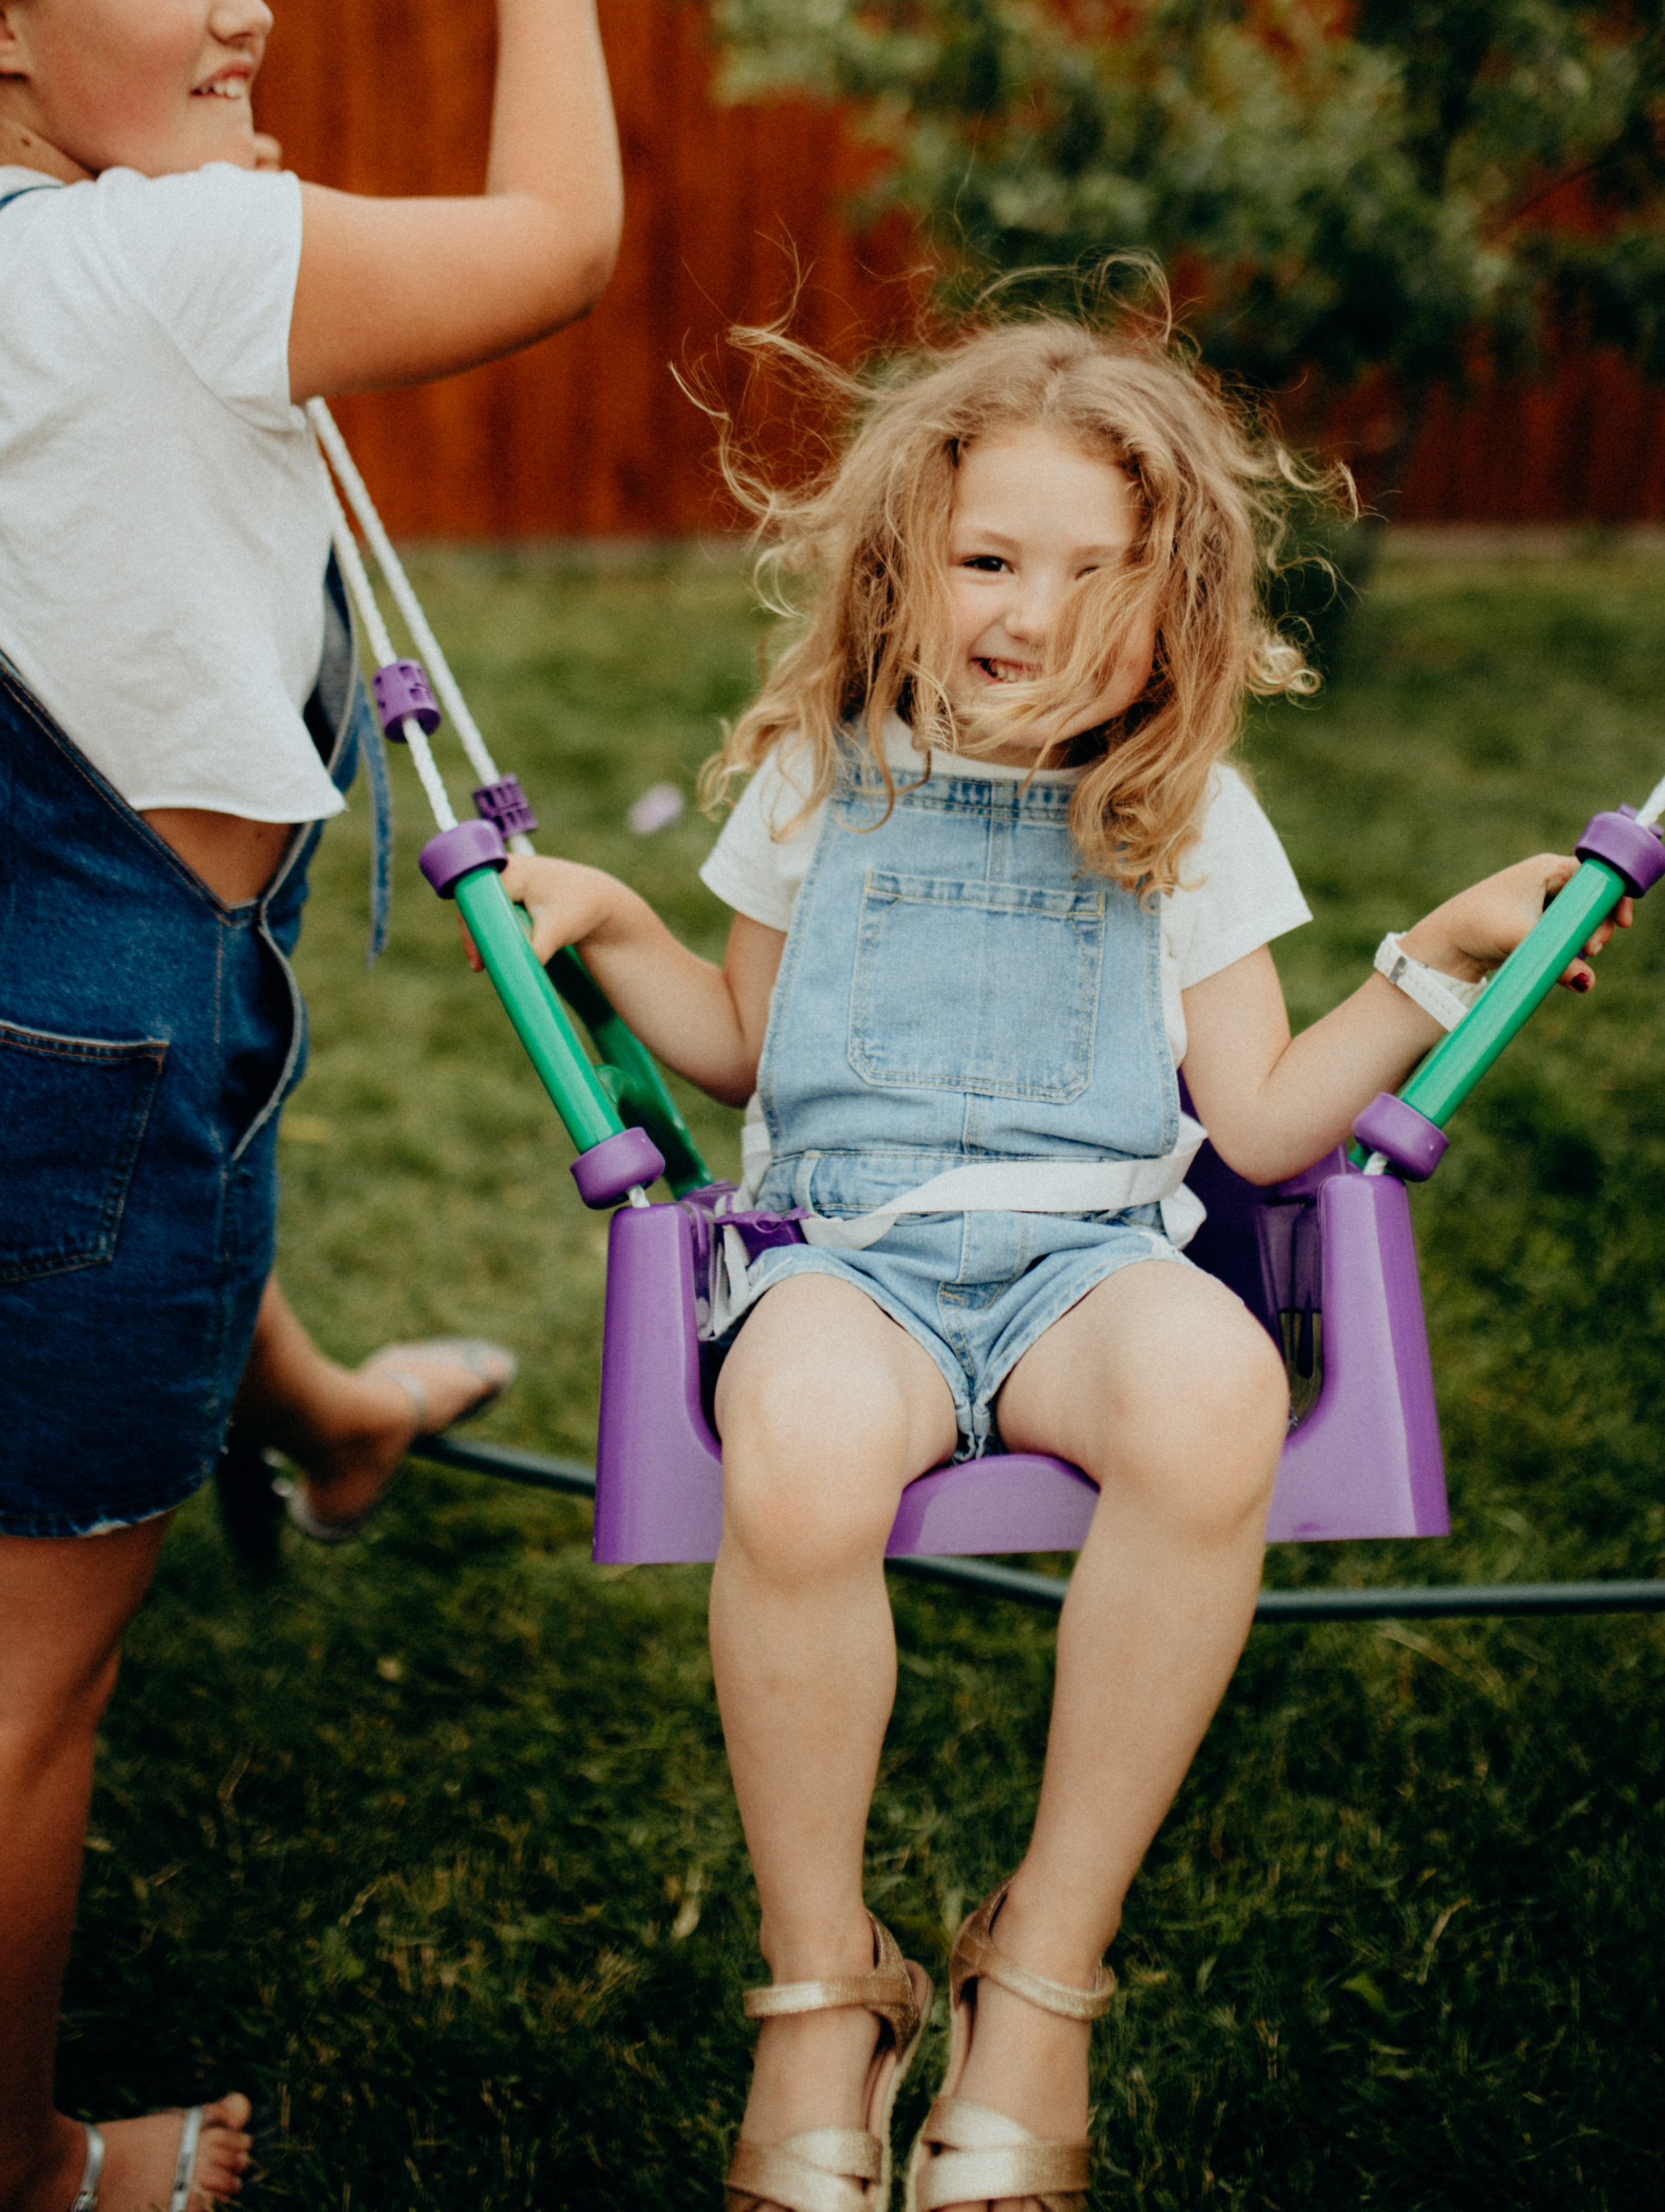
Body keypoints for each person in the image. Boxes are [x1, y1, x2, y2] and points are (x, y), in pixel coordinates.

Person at [495, 313, 1629, 2212]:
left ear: (1171, 597)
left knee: (1215, 1393)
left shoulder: (1186, 808)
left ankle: (1042, 1968)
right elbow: (748, 1052)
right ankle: (822, 1980)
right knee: (797, 1446)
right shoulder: (820, 778)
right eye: (990, 560)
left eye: (1099, 573)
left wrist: (1435, 954)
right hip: (847, 1260)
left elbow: (1259, 1122)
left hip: (1088, 1264)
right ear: (904, 562)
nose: (1036, 616)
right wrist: (608, 920)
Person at [0, 0, 631, 2211]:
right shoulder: (158, 268)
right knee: (27, 1683)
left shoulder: (61, 243)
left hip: (48, 966)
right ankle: (21, 2163)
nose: (248, 11)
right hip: (102, 1009)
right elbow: (557, 240)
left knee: (140, 1239)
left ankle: (325, 1413)